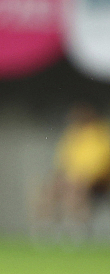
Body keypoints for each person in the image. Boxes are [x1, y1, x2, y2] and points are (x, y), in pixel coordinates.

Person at [34, 102, 110, 240]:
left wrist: (80, 178)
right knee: (48, 189)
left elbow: (100, 163)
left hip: (96, 183)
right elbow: (63, 161)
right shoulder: (73, 135)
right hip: (72, 180)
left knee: (75, 190)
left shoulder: (100, 134)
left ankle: (76, 230)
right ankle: (48, 230)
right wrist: (61, 177)